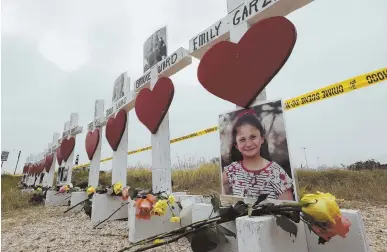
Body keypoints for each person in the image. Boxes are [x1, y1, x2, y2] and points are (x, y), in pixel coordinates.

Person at [222, 109, 294, 200]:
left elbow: (288, 209)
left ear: (262, 139)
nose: (248, 144)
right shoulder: (231, 171)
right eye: (242, 139)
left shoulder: (277, 172)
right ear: (236, 145)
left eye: (253, 137)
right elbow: (218, 192)